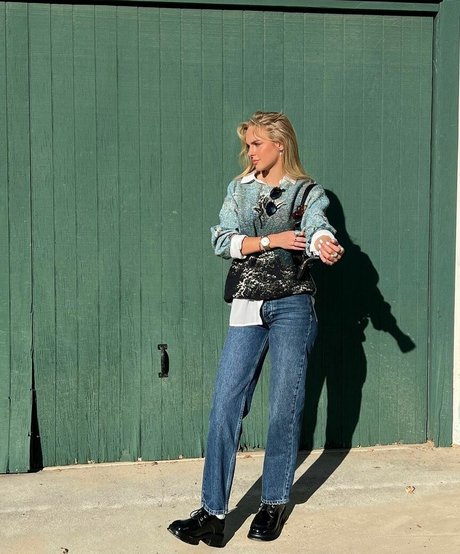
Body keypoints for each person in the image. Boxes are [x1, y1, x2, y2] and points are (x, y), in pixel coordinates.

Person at [168, 111, 344, 547]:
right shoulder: (239, 190)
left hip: (292, 306)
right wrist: (270, 240)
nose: (249, 151)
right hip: (248, 304)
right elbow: (221, 240)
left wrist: (324, 244)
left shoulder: (307, 192)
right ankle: (212, 513)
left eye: (256, 143)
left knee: (285, 406)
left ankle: (273, 503)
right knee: (225, 405)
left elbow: (317, 227)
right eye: (247, 144)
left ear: (280, 145)